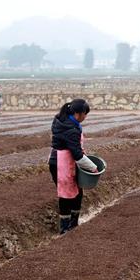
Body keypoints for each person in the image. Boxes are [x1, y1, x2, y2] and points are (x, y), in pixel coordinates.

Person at [48, 99, 98, 234]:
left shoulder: (64, 120)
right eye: (85, 114)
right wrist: (93, 168)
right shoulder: (71, 128)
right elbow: (77, 154)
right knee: (65, 196)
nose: (85, 117)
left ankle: (73, 224)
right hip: (60, 163)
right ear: (78, 114)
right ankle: (65, 229)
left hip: (65, 160)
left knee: (77, 192)